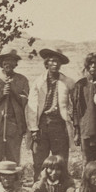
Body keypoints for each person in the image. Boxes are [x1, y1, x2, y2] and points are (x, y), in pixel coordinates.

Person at [27, 47, 74, 178]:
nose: (55, 64)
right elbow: (32, 106)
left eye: (58, 61)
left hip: (59, 124)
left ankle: (61, 189)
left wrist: (71, 119)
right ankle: (38, 190)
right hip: (42, 124)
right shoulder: (38, 82)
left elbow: (75, 103)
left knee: (60, 160)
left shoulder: (68, 82)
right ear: (46, 63)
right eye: (52, 61)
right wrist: (34, 129)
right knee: (39, 161)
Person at [0, 48, 30, 182]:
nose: (8, 63)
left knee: (13, 157)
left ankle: (14, 186)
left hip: (14, 124)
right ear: (1, 63)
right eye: (5, 61)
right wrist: (2, 94)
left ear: (16, 64)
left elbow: (25, 100)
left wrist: (13, 92)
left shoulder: (22, 80)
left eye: (12, 61)